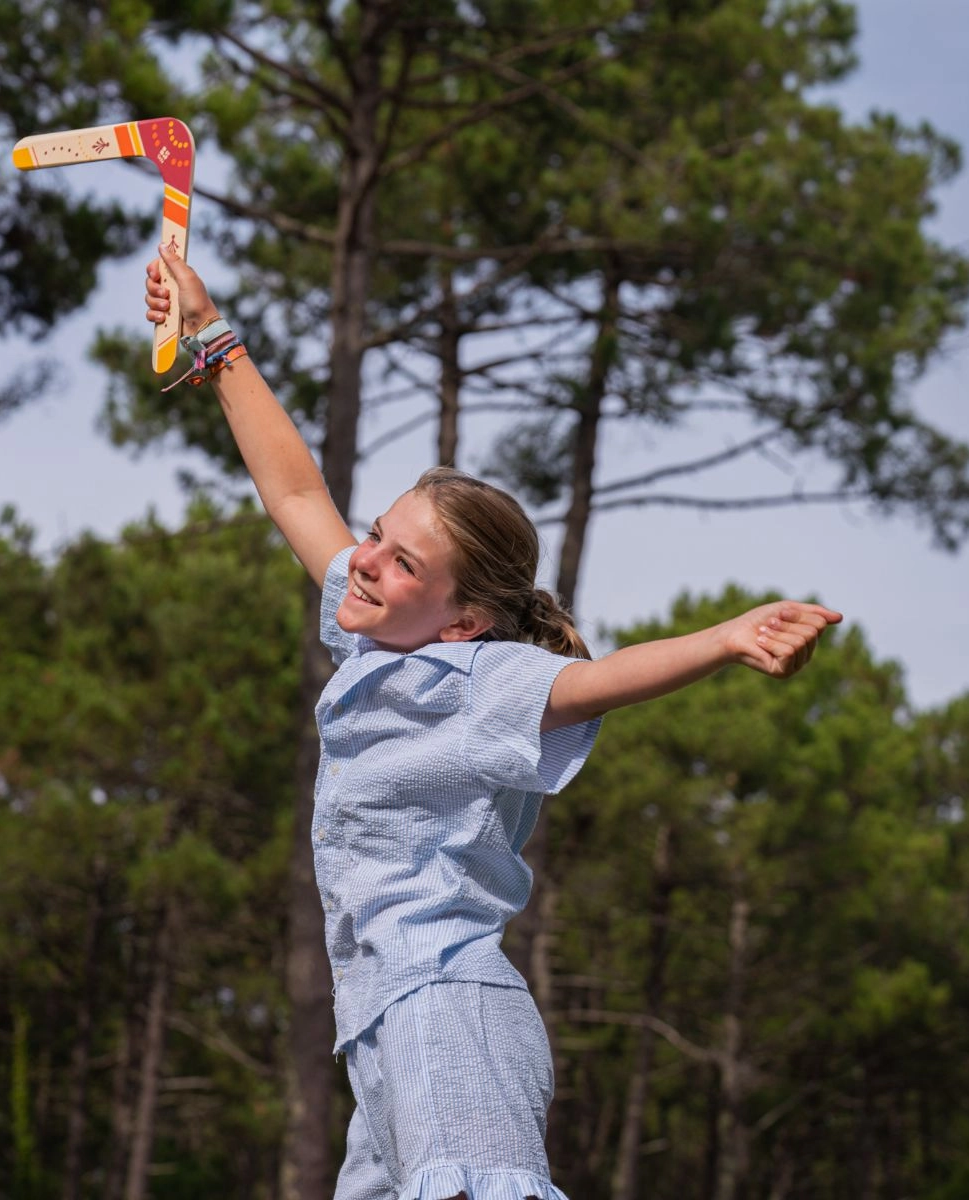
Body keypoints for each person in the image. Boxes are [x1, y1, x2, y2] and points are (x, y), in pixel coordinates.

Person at [144, 243, 841, 1200]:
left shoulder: (480, 678)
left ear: (464, 620)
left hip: (446, 1009)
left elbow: (600, 681)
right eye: (378, 535)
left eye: (402, 564)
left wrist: (723, 639)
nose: (366, 561)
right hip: (378, 1025)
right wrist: (214, 337)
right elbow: (296, 492)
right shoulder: (372, 646)